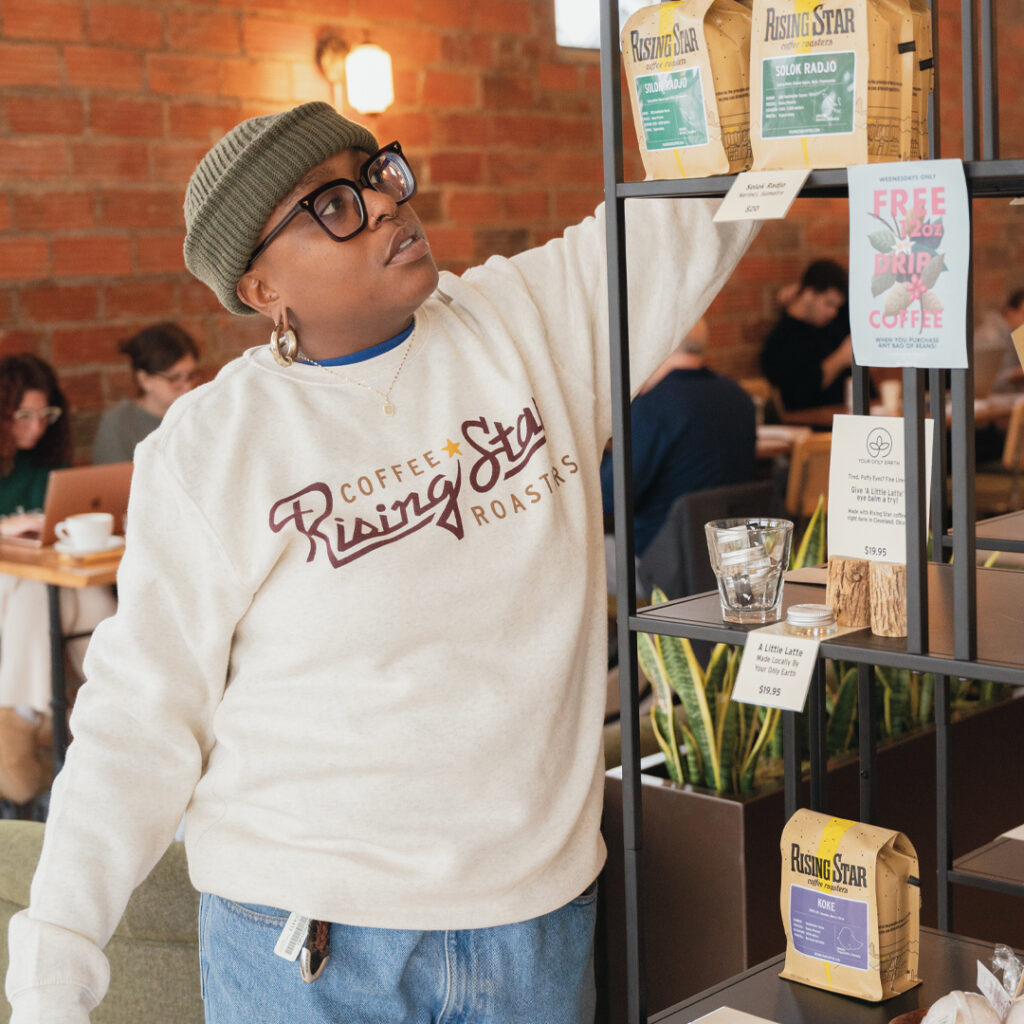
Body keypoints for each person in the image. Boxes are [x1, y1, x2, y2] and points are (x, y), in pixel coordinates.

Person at [6, 102, 756, 1023]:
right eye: (332, 205)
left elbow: (700, 200)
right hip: (308, 944)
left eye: (378, 174)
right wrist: (55, 969)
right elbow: (140, 714)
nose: (384, 205)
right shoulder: (214, 444)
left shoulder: (530, 326)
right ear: (260, 289)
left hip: (536, 929)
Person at [0, 355, 116, 805]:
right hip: (11, 585)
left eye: (44, 415)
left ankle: (112, 688)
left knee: (76, 588)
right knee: (37, 587)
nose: (35, 427)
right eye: (22, 416)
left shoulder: (41, 464)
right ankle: (27, 714)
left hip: (31, 580)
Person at [600, 319, 756, 556]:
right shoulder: (739, 397)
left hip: (658, 560)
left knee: (575, 557)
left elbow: (611, 498)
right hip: (727, 556)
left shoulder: (652, 407)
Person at [92, 323, 200, 464]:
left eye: (191, 375)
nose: (188, 386)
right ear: (144, 379)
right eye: (174, 378)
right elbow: (112, 482)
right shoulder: (119, 424)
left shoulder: (200, 412)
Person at [760, 258, 852, 411]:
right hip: (813, 427)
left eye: (837, 307)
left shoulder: (834, 323)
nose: (833, 312)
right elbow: (798, 394)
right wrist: (840, 359)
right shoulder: (781, 341)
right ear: (809, 294)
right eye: (829, 304)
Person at [974, 287, 1024, 394]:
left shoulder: (1016, 336)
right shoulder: (989, 336)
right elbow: (978, 382)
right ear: (1009, 312)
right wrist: (1014, 375)